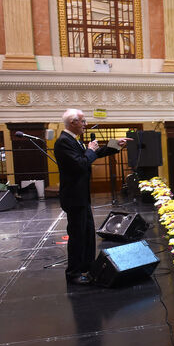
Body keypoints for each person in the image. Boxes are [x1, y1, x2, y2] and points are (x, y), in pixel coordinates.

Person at [54, 108, 128, 285]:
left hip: (81, 196)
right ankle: (73, 273)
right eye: (83, 121)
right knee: (78, 235)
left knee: (87, 234)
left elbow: (93, 154)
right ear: (73, 123)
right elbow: (81, 164)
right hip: (73, 197)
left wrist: (116, 145)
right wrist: (89, 150)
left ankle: (87, 267)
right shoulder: (63, 142)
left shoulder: (74, 141)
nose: (86, 125)